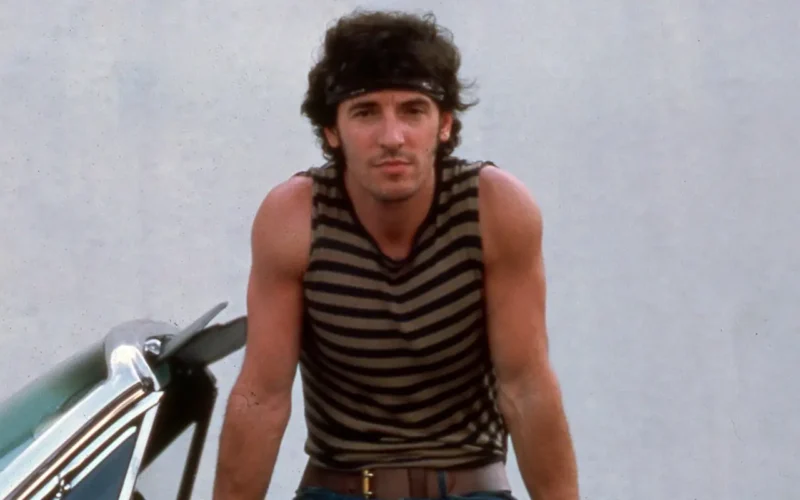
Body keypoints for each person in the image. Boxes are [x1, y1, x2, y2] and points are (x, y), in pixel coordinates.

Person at [212, 9, 579, 500]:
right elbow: (262, 396)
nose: (392, 137)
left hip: (468, 486)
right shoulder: (295, 217)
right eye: (366, 112)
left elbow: (526, 387)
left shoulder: (494, 208)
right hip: (339, 487)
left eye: (413, 111)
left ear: (444, 124)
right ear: (332, 131)